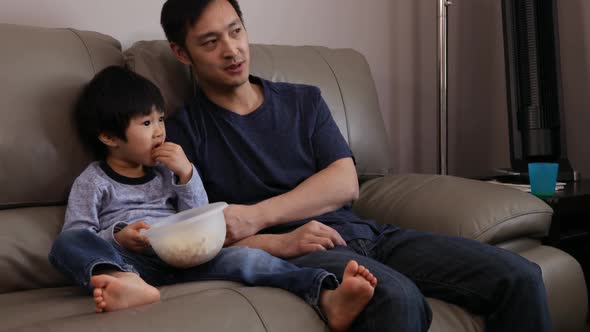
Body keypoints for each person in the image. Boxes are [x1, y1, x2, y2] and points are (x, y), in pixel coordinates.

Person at [160, 0, 552, 331]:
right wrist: (280, 240)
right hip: (301, 253)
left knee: (519, 276)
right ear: (182, 53)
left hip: (370, 233)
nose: (232, 50)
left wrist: (256, 215)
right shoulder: (182, 136)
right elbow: (198, 241)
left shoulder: (303, 101)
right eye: (211, 42)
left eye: (236, 31)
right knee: (399, 299)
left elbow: (345, 182)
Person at [48, 65, 379, 332]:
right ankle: (124, 283)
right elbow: (79, 231)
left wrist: (186, 174)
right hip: (130, 260)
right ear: (109, 136)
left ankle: (326, 295)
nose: (160, 130)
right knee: (68, 243)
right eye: (147, 123)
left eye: (161, 118)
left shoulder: (166, 172)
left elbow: (199, 216)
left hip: (185, 257)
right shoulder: (93, 181)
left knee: (249, 260)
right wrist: (118, 237)